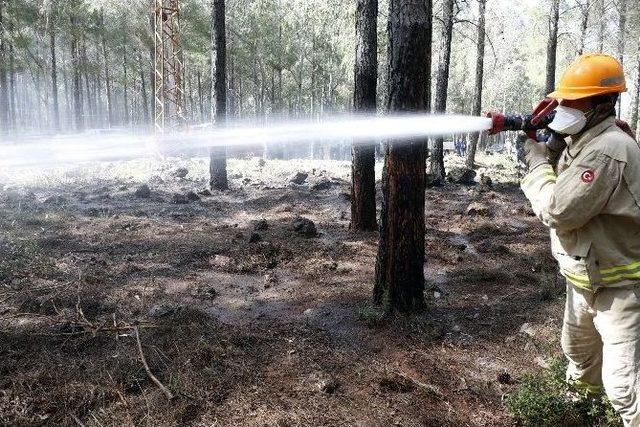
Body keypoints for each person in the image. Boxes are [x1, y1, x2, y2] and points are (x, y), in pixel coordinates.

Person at [521, 53, 640, 426]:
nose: (564, 108)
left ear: (599, 105)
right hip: (585, 280)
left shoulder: (607, 150)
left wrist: (539, 162)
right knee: (580, 357)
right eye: (562, 100)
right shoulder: (587, 139)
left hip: (619, 286)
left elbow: (559, 210)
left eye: (573, 101)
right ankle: (581, 415)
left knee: (625, 385)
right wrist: (554, 148)